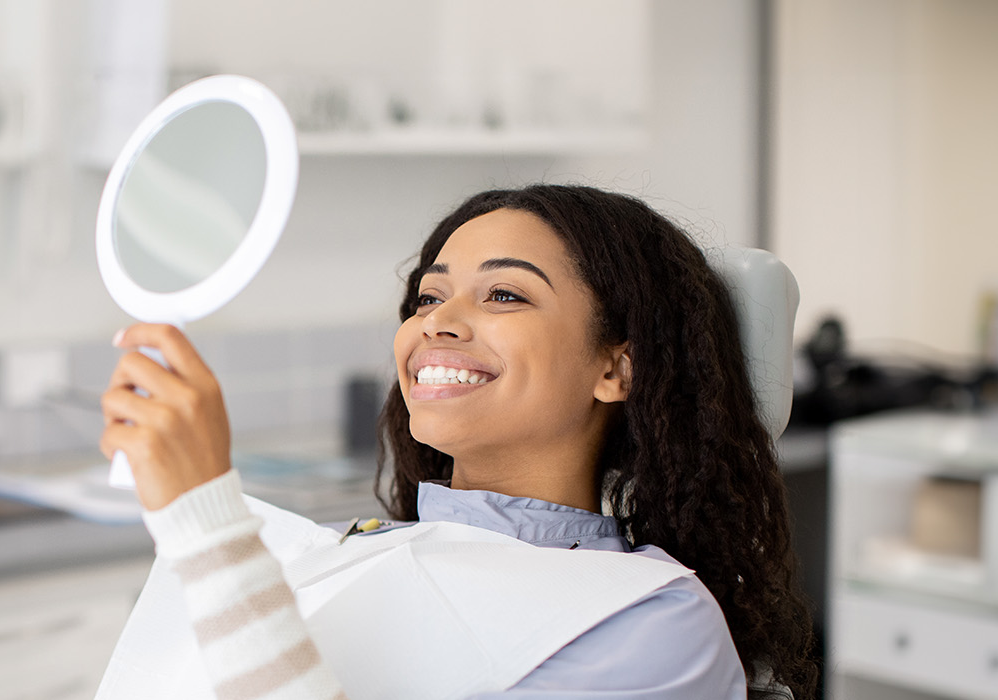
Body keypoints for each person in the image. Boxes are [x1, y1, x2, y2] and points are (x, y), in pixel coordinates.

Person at [98, 184, 816, 700]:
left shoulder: (653, 627)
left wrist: (211, 529)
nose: (436, 323)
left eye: (505, 295)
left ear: (615, 366)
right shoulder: (348, 554)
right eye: (429, 297)